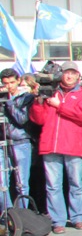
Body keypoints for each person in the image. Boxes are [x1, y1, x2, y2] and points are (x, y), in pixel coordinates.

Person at [30, 61, 82, 233]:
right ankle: (58, 220)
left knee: (75, 183)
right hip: (50, 145)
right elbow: (38, 119)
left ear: (78, 76)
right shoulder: (50, 92)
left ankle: (78, 217)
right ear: (60, 75)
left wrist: (60, 106)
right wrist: (38, 101)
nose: (69, 76)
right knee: (53, 185)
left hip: (73, 145)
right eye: (66, 72)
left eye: (73, 73)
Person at [0, 69, 36, 209]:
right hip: (2, 142)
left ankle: (22, 215)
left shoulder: (26, 97)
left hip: (20, 141)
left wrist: (9, 102)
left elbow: (22, 119)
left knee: (21, 183)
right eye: (5, 83)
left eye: (12, 82)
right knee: (2, 183)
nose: (9, 86)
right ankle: (8, 214)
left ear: (18, 81)